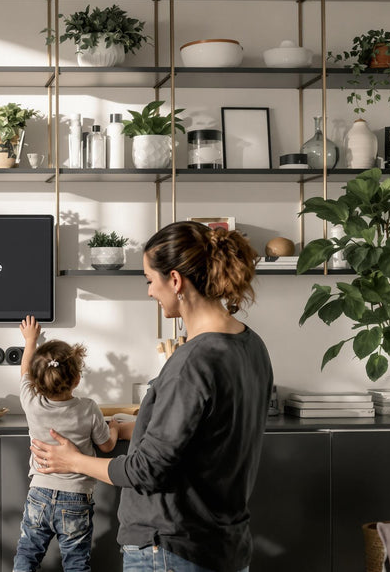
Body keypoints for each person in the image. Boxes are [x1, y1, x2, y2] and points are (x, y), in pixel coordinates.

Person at [30, 221, 273, 572]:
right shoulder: (251, 345)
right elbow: (209, 434)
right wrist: (137, 426)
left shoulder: (192, 361)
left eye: (149, 280)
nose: (149, 292)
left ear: (175, 281)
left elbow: (147, 470)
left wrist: (73, 461)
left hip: (171, 547)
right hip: (225, 545)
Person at [14, 315, 118, 572]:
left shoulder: (31, 403)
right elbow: (106, 447)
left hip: (38, 494)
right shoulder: (88, 408)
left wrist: (30, 341)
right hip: (76, 499)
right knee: (76, 563)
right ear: (76, 380)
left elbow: (25, 371)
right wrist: (114, 427)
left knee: (27, 555)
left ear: (37, 382)